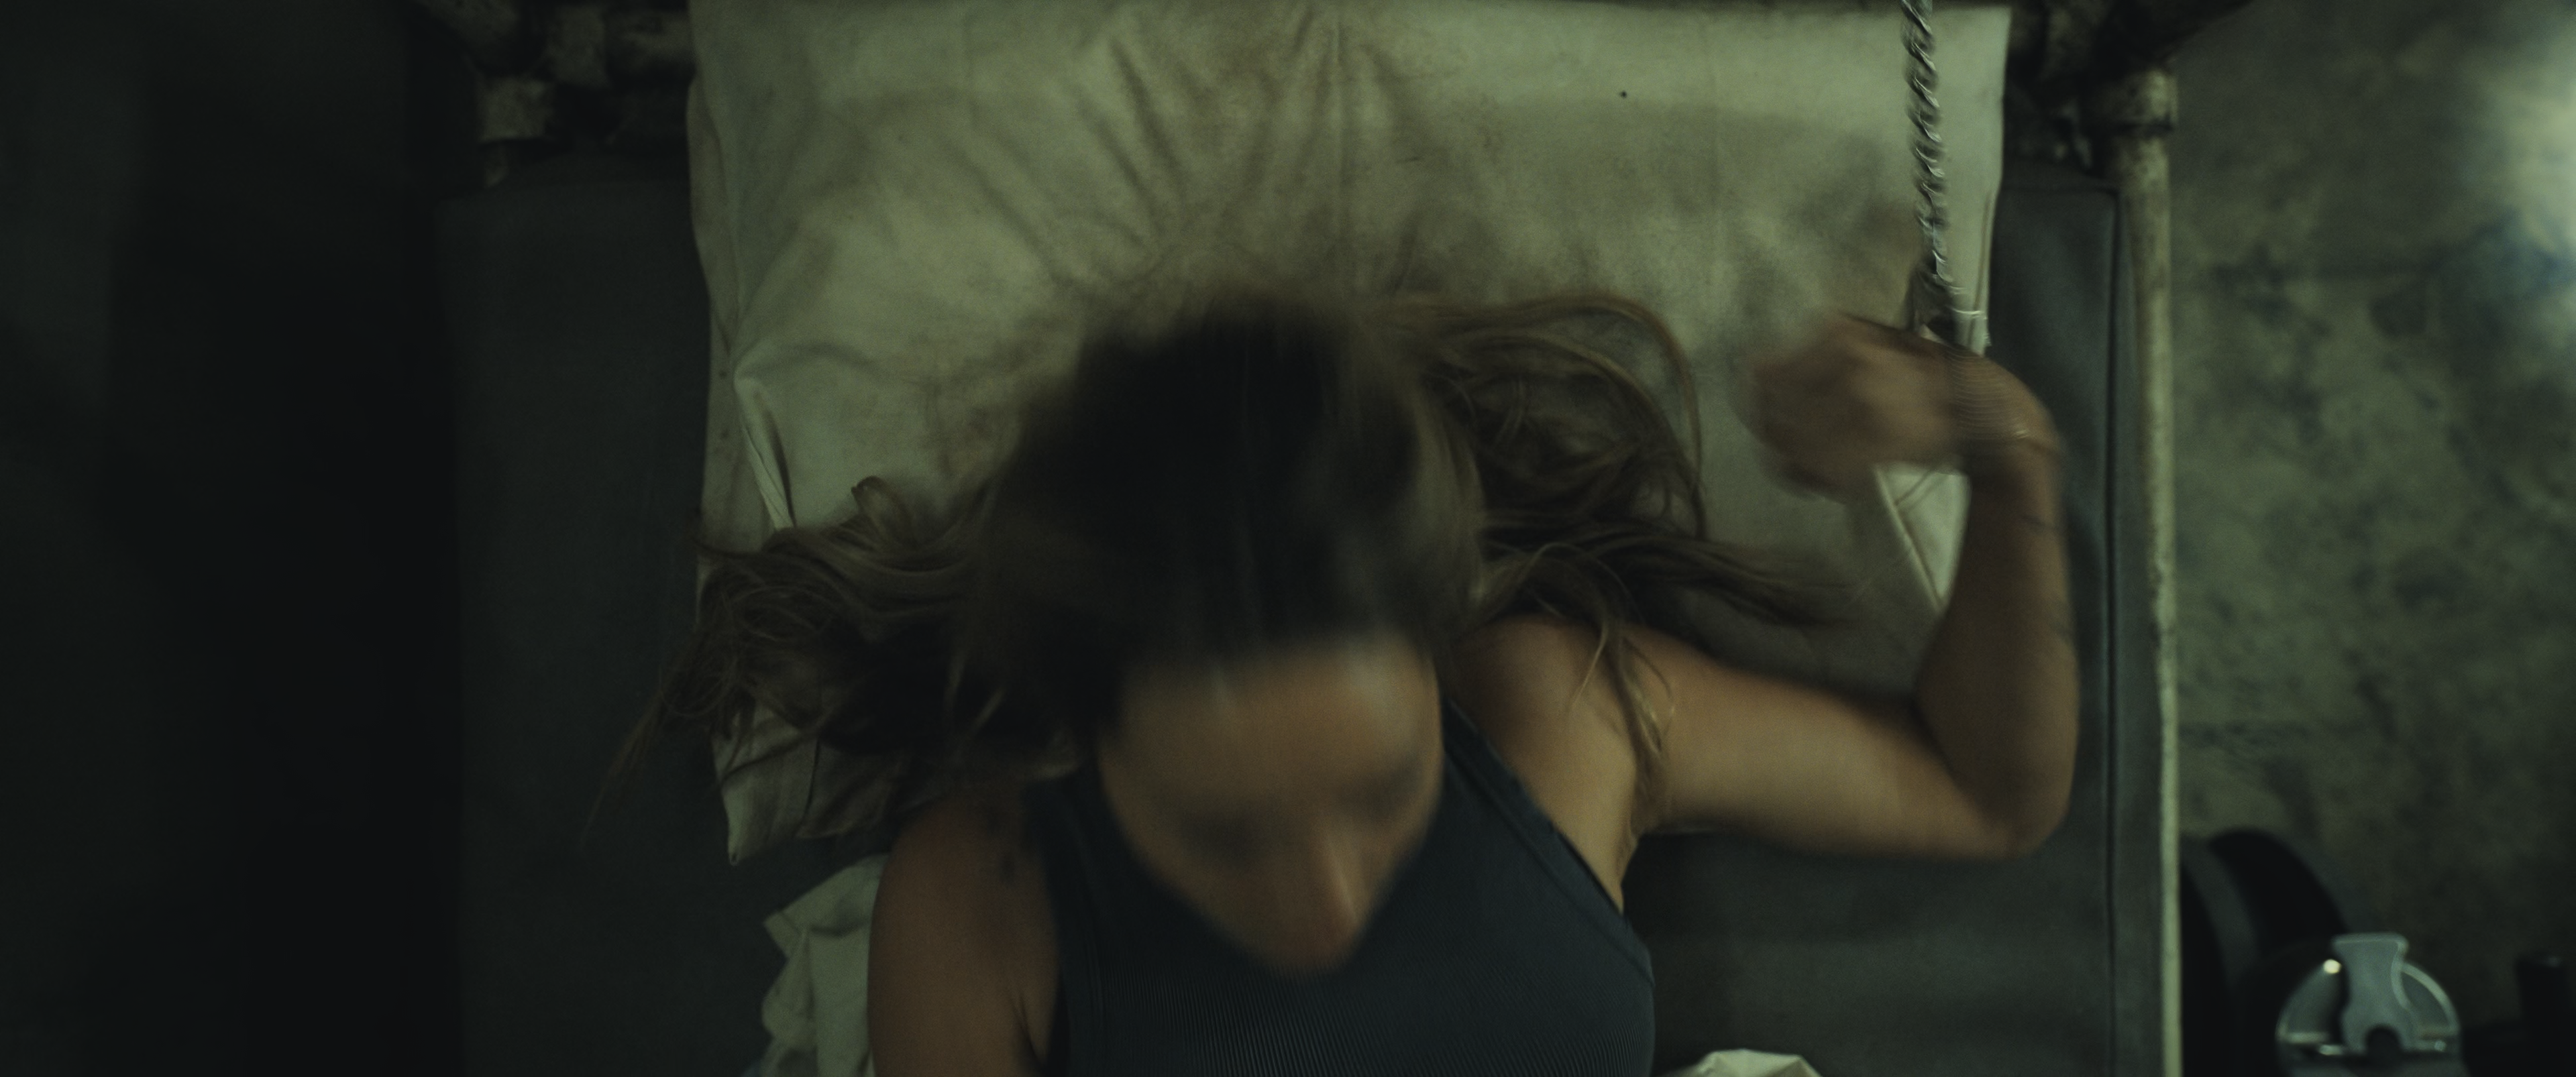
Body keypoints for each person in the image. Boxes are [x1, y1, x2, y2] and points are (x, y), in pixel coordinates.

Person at [601, 285, 2077, 1076]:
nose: (1322, 901)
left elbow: (1983, 790)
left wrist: (2000, 437)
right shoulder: (986, 905)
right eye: (1223, 832)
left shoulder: (1554, 716)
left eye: (1380, 793)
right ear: (1082, 737)